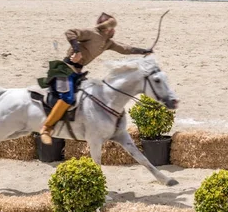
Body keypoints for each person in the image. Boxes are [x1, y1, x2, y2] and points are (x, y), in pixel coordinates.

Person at [37, 13, 153, 145]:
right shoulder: (91, 33)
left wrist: (144, 51)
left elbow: (124, 48)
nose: (115, 31)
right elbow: (70, 32)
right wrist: (76, 50)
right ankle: (46, 128)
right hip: (65, 69)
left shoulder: (107, 42)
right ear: (107, 28)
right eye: (113, 28)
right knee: (67, 98)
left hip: (78, 72)